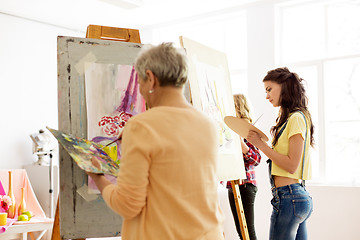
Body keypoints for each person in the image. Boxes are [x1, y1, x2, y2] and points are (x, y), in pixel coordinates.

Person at [87, 42, 225, 240]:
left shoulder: (141, 126)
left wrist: (97, 175)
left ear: (151, 79)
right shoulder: (208, 125)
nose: (140, 90)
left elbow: (127, 205)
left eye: (141, 82)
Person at [246, 67, 314, 240]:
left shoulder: (296, 118)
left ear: (284, 86)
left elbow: (291, 165)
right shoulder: (291, 118)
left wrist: (259, 144)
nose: (267, 95)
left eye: (269, 89)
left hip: (289, 196)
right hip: (294, 197)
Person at [226, 94, 261, 240]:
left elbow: (257, 159)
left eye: (231, 106)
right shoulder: (229, 129)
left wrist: (241, 144)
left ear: (239, 108)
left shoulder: (248, 130)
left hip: (246, 185)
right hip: (232, 183)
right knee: (241, 232)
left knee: (248, 232)